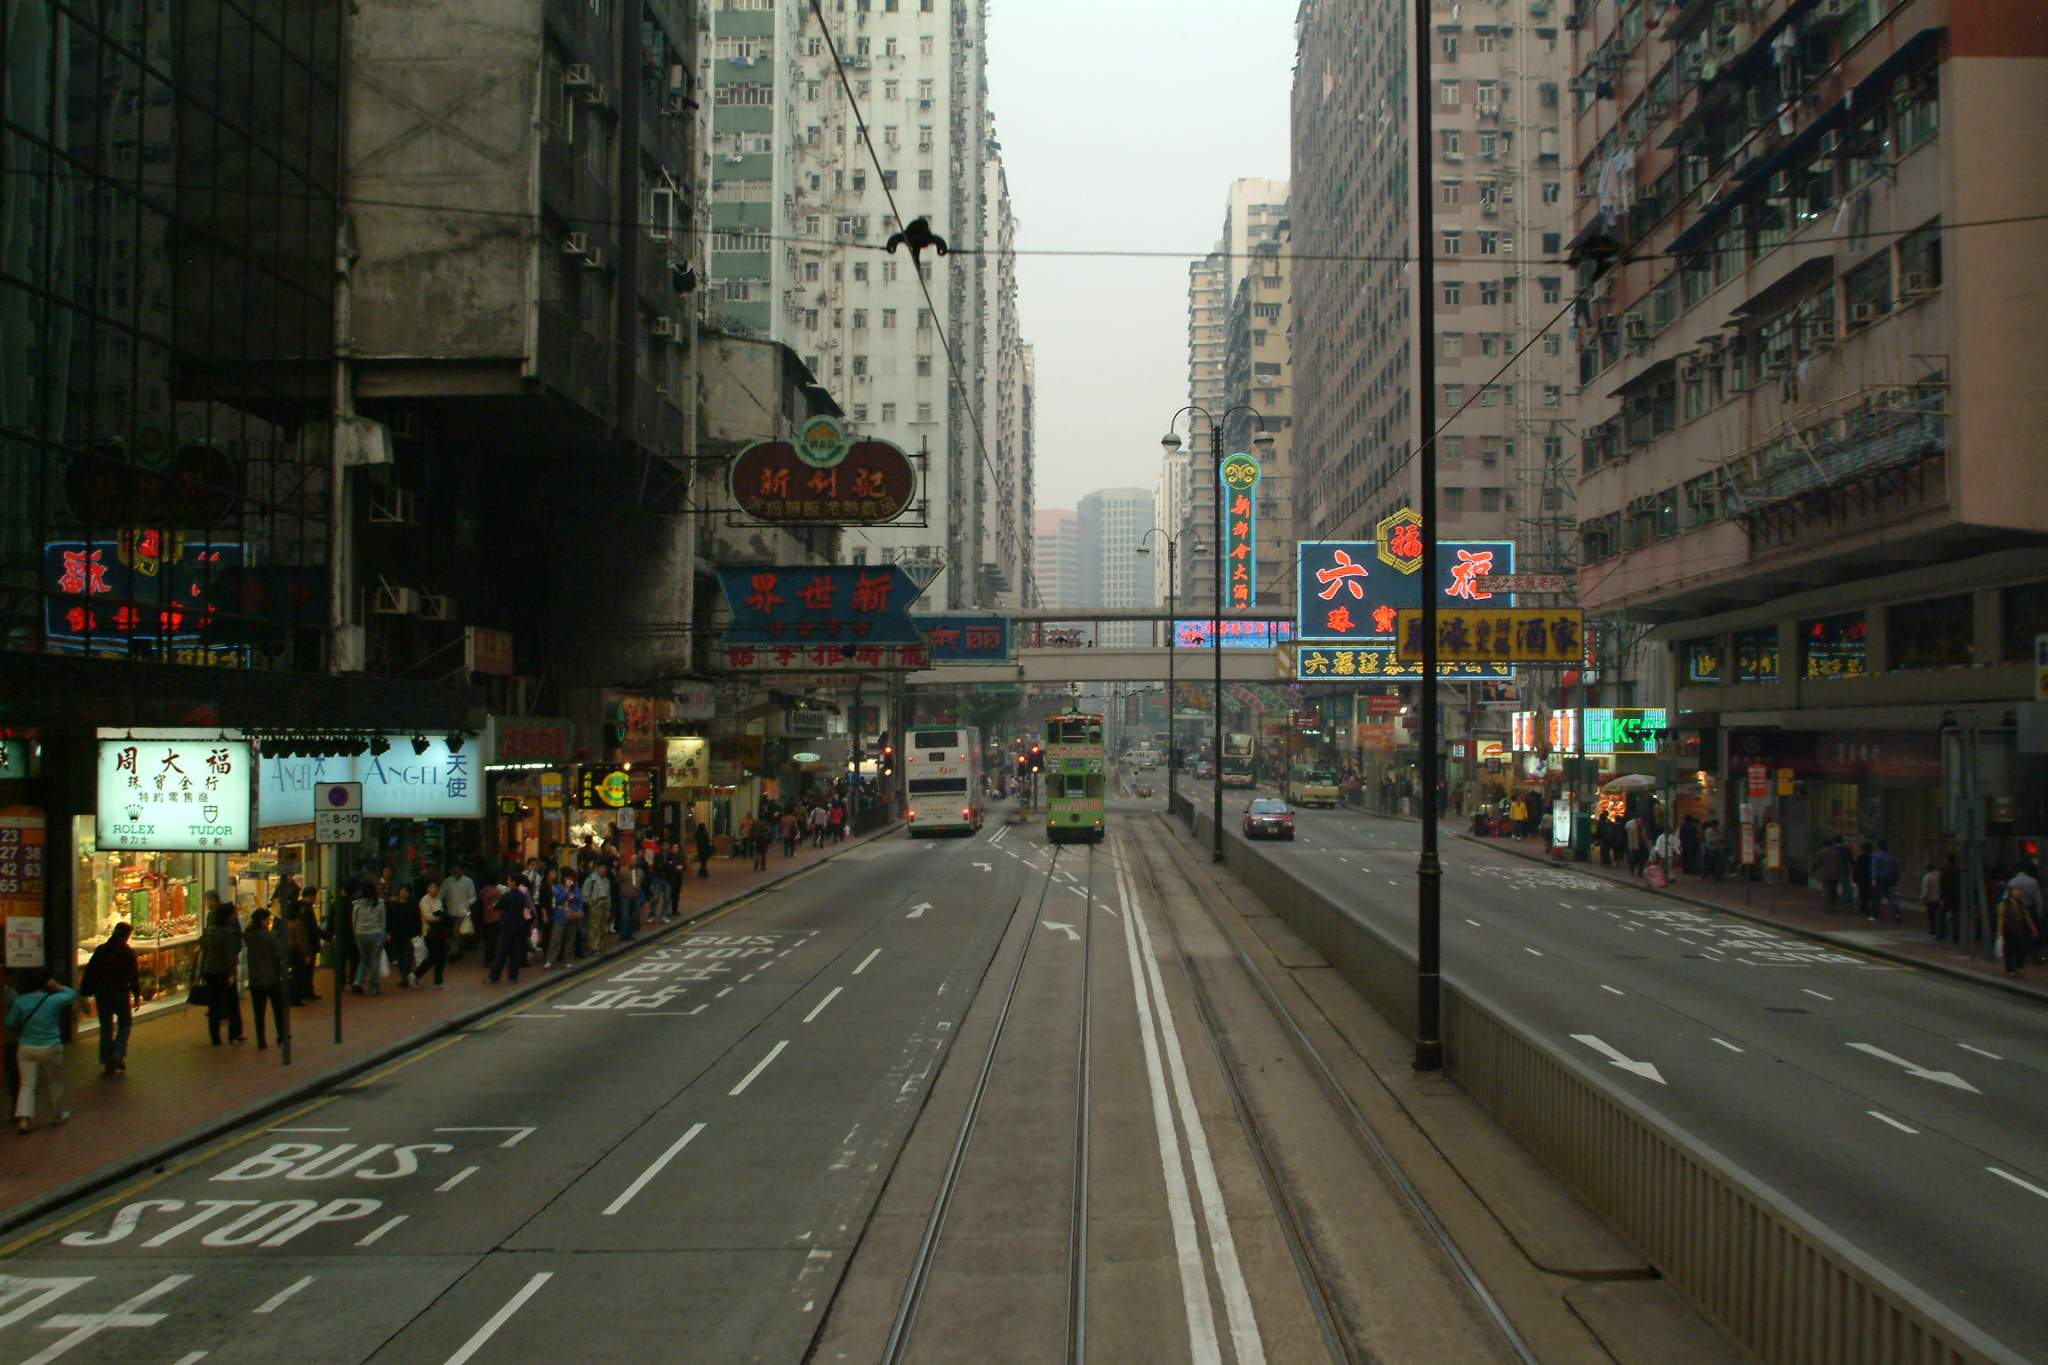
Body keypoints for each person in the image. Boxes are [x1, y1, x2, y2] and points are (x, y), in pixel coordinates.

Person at [8, 971, 76, 1133]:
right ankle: (57, 1114)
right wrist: (55, 985)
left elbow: (10, 1022)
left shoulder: (20, 1001)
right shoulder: (53, 1000)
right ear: (46, 983)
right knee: (54, 1082)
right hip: (50, 1046)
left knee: (27, 1084)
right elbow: (71, 994)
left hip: (26, 1047)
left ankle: (24, 1120)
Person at [80, 923, 141, 1076]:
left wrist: (84, 992)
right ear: (127, 935)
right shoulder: (128, 953)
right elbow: (134, 977)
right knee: (125, 1023)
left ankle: (107, 1059)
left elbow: (91, 971)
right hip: (121, 992)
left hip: (102, 993)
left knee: (106, 1027)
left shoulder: (101, 950)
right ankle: (118, 1051)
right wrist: (136, 994)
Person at [244, 909, 289, 1051]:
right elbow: (278, 953)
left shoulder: (249, 936)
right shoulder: (271, 936)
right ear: (263, 920)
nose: (269, 922)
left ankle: (261, 1039)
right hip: (271, 977)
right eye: (268, 919)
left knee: (259, 1012)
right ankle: (281, 1034)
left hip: (255, 978)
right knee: (278, 1008)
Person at [1998, 862, 2041, 977]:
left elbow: (2026, 916)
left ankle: (2017, 966)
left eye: (2019, 890)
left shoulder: (2012, 884)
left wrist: (2033, 928)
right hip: (2011, 927)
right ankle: (2011, 968)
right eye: (2016, 890)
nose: (2018, 892)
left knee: (2018, 947)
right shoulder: (2033, 882)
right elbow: (2038, 901)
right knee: (2012, 947)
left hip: (2018, 926)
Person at [489, 878, 533, 983]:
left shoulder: (507, 895)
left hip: (507, 927)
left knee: (501, 953)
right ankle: (513, 977)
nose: (508, 882)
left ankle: (494, 976)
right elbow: (527, 905)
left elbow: (497, 906)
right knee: (515, 953)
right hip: (519, 926)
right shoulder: (522, 895)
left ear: (514, 882)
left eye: (509, 880)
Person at [351, 882, 387, 997]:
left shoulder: (357, 904)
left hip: (360, 933)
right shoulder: (379, 903)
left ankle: (357, 981)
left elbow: (354, 921)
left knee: (363, 959)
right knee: (374, 960)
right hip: (375, 933)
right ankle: (374, 987)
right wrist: (382, 936)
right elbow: (383, 922)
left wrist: (356, 934)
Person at [420, 878, 454, 987]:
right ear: (427, 888)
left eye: (435, 887)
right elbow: (427, 917)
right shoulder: (424, 900)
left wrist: (442, 917)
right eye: (431, 887)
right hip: (429, 931)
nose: (433, 889)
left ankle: (438, 980)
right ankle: (416, 974)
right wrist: (439, 917)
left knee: (441, 957)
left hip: (440, 932)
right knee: (433, 956)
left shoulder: (438, 900)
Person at [545, 871, 583, 967]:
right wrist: (566, 890)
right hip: (560, 916)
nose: (569, 880)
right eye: (567, 878)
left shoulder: (576, 888)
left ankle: (568, 960)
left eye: (571, 878)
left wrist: (579, 911)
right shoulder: (559, 887)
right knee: (556, 938)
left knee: (570, 939)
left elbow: (580, 901)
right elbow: (559, 899)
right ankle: (550, 959)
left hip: (572, 915)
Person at [387, 883, 422, 987]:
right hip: (397, 935)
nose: (404, 893)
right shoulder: (394, 906)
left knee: (407, 956)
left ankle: (406, 976)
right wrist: (388, 932)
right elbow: (390, 920)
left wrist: (418, 932)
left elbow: (417, 920)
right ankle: (403, 976)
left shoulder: (413, 905)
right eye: (402, 891)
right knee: (400, 956)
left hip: (410, 935)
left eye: (406, 891)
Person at [443, 862, 478, 959]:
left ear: (462, 870)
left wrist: (468, 903)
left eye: (458, 870)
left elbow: (473, 896)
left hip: (463, 912)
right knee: (457, 933)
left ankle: (453, 952)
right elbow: (441, 894)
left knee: (456, 930)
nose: (456, 872)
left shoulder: (468, 881)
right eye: (454, 870)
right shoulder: (448, 881)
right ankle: (459, 949)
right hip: (451, 911)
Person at [581, 863, 612, 955]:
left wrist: (609, 908)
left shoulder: (606, 880)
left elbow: (608, 894)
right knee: (594, 926)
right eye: (601, 868)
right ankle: (594, 946)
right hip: (596, 903)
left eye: (604, 868)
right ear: (597, 868)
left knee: (603, 926)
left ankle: (601, 945)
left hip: (605, 902)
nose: (603, 870)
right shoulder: (591, 879)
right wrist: (591, 904)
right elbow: (585, 893)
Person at [1869, 839, 1901, 922]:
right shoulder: (1892, 856)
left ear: (1879, 847)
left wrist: (1873, 879)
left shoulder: (1876, 856)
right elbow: (1895, 869)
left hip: (1879, 879)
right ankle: (1897, 914)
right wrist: (1896, 878)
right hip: (1890, 880)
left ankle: (1875, 915)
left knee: (1876, 898)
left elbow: (1875, 868)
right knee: (1893, 898)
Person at [1811, 838, 1845, 915]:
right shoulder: (1836, 853)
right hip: (1835, 874)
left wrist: (1812, 869)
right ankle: (1833, 905)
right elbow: (1839, 864)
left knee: (1827, 891)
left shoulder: (1822, 852)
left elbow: (1816, 862)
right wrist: (1841, 874)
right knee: (1833, 890)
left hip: (1825, 874)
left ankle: (1828, 908)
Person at [1920, 861, 1946, 940]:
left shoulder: (1927, 877)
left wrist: (1923, 898)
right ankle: (1942, 929)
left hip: (1931, 899)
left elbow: (1926, 890)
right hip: (1940, 898)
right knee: (1941, 915)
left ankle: (1933, 929)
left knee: (1931, 916)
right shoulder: (1939, 874)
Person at [1852, 842, 1875, 917]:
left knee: (1862, 894)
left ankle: (1863, 908)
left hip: (1861, 879)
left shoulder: (1860, 858)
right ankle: (1868, 908)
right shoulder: (1872, 858)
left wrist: (1855, 878)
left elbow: (1856, 869)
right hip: (1869, 878)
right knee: (1869, 895)